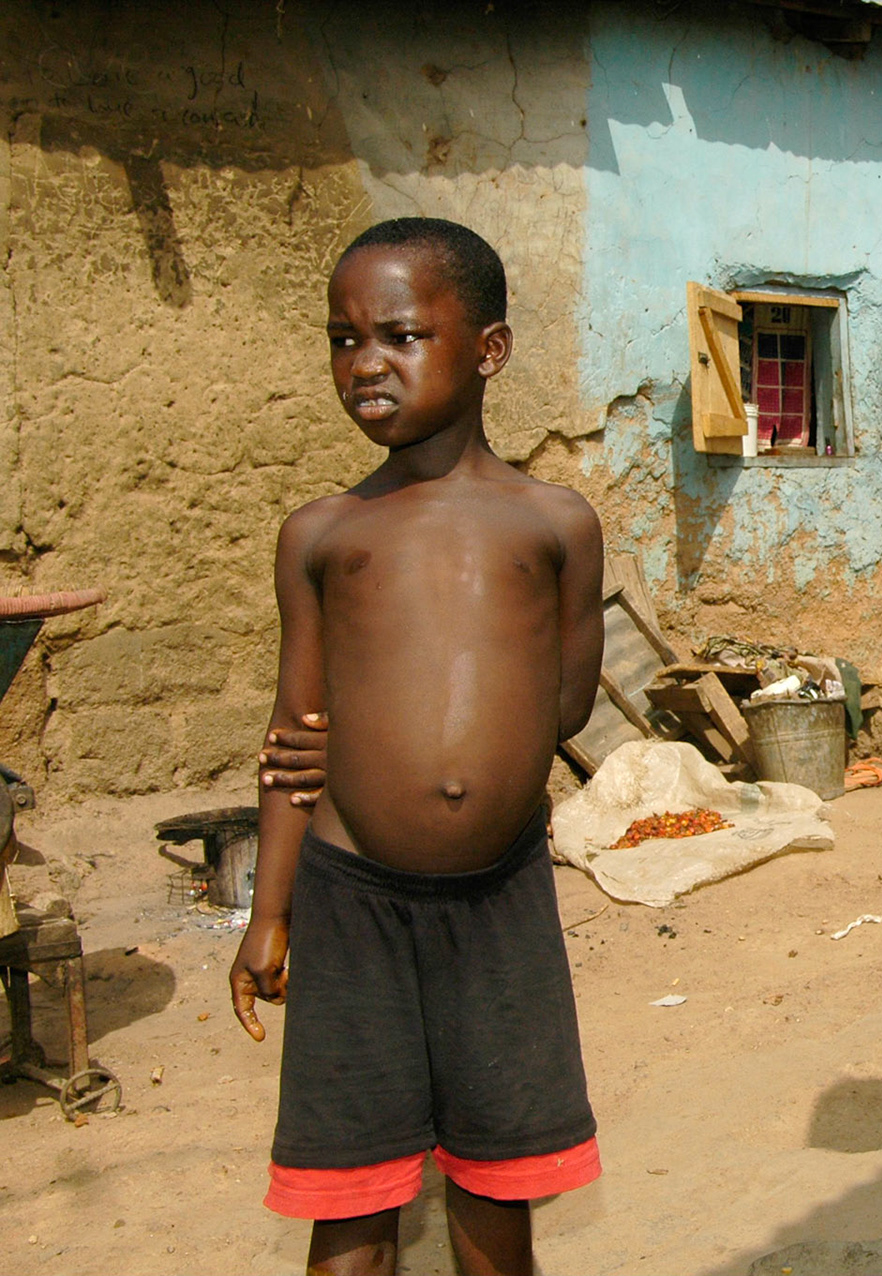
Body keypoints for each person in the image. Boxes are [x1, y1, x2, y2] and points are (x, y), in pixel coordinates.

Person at [229, 217, 606, 1276]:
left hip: (500, 902)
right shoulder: (323, 535)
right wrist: (270, 910)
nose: (365, 366)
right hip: (353, 903)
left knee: (498, 1201)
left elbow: (566, 707)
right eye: (343, 340)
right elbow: (292, 736)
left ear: (488, 350)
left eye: (398, 335)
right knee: (350, 1210)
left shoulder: (554, 524)